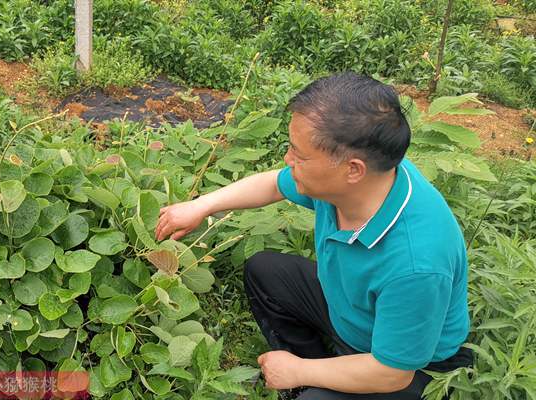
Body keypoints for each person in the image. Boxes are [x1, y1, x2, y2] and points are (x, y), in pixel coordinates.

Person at [154, 72, 473, 399]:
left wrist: (297, 369)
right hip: (353, 315)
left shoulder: (417, 262)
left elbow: (392, 373)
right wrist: (201, 206)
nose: (287, 160)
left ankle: (309, 378)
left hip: (408, 369)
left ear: (353, 169)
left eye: (299, 155)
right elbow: (273, 184)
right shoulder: (357, 184)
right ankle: (321, 373)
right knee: (266, 271)